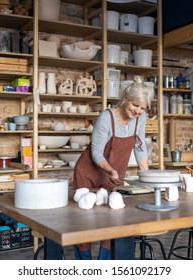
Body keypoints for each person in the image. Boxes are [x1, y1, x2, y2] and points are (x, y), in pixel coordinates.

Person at [72, 75, 154, 260]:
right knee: (85, 227)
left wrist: (148, 178)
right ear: (125, 99)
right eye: (135, 105)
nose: (138, 111)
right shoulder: (106, 118)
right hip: (89, 175)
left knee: (112, 224)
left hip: (113, 177)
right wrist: (110, 170)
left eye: (142, 108)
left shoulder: (141, 118)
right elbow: (97, 153)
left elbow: (140, 149)